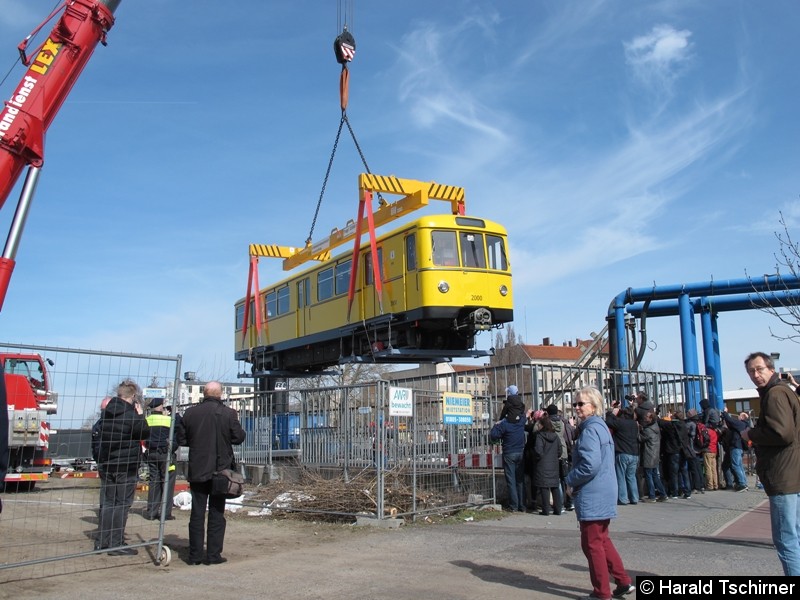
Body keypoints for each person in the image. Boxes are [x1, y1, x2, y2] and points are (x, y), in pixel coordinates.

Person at [565, 386, 635, 600]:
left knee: (591, 544)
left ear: (593, 406)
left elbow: (590, 464)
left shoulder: (589, 429)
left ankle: (601, 592)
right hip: (604, 489)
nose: (576, 407)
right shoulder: (601, 426)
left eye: (580, 404)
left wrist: (570, 480)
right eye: (575, 404)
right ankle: (622, 581)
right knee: (602, 539)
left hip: (592, 492)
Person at [742, 352, 800, 576]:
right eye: (751, 371)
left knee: (786, 540)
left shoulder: (775, 394)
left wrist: (751, 433)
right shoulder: (785, 391)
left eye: (759, 369)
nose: (755, 375)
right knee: (793, 535)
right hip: (791, 472)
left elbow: (782, 433)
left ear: (771, 369)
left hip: (783, 474)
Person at [177, 381, 246, 565]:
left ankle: (195, 556)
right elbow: (238, 437)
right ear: (220, 394)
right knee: (217, 512)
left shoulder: (190, 413)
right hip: (221, 471)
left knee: (197, 513)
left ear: (204, 393)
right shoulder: (228, 413)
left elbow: (182, 439)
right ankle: (214, 555)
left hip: (198, 468)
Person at [96, 380, 150, 555]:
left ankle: (102, 542)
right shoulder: (131, 416)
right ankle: (116, 543)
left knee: (108, 503)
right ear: (133, 396)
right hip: (126, 466)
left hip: (108, 464)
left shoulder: (106, 414)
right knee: (122, 504)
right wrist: (141, 415)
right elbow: (144, 433)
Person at [491, 398, 526, 513]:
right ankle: (522, 505)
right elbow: (524, 414)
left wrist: (497, 424)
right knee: (520, 480)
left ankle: (514, 506)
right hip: (521, 452)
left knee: (511, 480)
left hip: (509, 453)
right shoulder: (521, 420)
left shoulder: (505, 423)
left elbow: (494, 435)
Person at [145, 398, 177, 521]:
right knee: (167, 482)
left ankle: (151, 512)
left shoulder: (147, 420)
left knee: (154, 482)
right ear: (160, 407)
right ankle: (165, 513)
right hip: (165, 455)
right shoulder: (167, 420)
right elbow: (176, 433)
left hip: (151, 454)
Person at [605, 406, 640, 505]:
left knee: (621, 476)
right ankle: (634, 497)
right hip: (634, 453)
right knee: (631, 476)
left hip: (623, 452)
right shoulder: (634, 424)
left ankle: (623, 498)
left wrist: (612, 413)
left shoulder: (621, 423)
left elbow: (608, 422)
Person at [532, 414, 563, 516]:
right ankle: (558, 509)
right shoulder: (556, 436)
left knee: (544, 487)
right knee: (555, 487)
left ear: (542, 425)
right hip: (554, 464)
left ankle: (546, 510)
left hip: (542, 464)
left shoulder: (540, 436)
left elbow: (538, 451)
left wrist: (537, 458)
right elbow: (560, 450)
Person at [546, 404, 575, 511]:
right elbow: (569, 437)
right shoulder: (563, 423)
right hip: (563, 452)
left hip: (552, 453)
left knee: (556, 480)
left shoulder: (547, 423)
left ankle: (559, 504)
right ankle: (570, 502)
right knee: (565, 478)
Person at [639, 411, 668, 502]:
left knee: (649, 476)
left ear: (651, 418)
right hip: (655, 454)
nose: (645, 417)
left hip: (649, 455)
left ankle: (652, 496)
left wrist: (638, 430)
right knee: (655, 475)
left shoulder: (648, 430)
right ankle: (663, 493)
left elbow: (640, 438)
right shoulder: (656, 428)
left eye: (647, 416)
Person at [720, 408, 749, 491]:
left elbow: (731, 421)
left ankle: (742, 484)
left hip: (736, 446)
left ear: (743, 417)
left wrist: (725, 412)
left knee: (736, 465)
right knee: (739, 466)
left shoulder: (741, 424)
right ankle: (743, 483)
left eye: (740, 415)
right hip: (738, 447)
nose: (738, 416)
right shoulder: (743, 425)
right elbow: (731, 424)